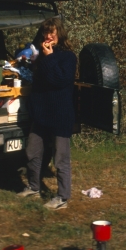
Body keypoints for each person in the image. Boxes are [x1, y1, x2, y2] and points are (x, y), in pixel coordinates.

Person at [16, 17, 77, 210]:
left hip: (60, 115)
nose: (49, 36)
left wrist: (49, 58)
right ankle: (34, 187)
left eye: (52, 32)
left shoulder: (68, 57)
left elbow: (60, 80)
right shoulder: (40, 56)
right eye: (46, 32)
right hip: (41, 114)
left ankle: (62, 197)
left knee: (60, 158)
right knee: (32, 152)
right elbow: (40, 83)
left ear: (60, 34)